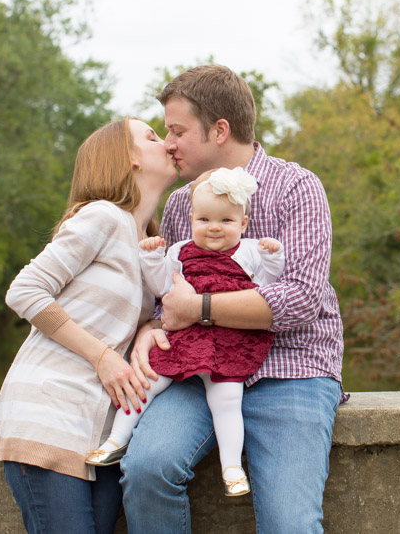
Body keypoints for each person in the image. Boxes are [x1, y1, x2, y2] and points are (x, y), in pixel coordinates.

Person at [120, 64, 346, 534]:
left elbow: (301, 298)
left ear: (220, 130)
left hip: (290, 371)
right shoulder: (182, 205)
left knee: (290, 524)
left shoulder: (297, 187)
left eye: (178, 130)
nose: (168, 143)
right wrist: (151, 327)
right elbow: (171, 295)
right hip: (199, 366)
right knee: (145, 470)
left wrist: (200, 308)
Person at [0, 118, 178, 533]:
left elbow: (132, 321)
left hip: (102, 432)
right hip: (49, 415)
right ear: (127, 158)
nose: (166, 142)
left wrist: (149, 326)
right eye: (151, 136)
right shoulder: (103, 217)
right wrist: (101, 355)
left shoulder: (145, 240)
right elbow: (26, 289)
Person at [86, 167, 285, 499]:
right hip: (187, 338)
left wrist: (272, 255)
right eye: (205, 220)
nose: (215, 228)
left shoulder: (249, 250)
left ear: (244, 224)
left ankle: (231, 466)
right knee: (147, 382)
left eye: (226, 221)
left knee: (227, 400)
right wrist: (150, 257)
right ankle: (115, 440)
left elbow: (267, 284)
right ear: (191, 218)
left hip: (229, 340)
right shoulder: (179, 250)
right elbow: (162, 286)